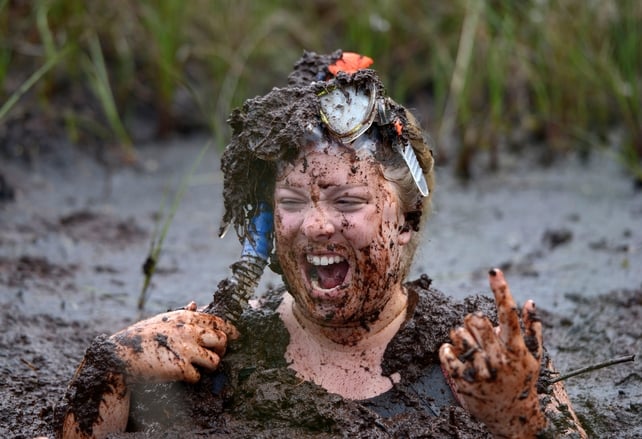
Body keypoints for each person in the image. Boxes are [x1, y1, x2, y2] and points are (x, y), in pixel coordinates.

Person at [55, 50, 587, 438]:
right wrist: (112, 364)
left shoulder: (483, 354)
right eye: (292, 201)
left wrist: (518, 420)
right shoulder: (216, 354)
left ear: (406, 219)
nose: (314, 226)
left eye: (347, 202)